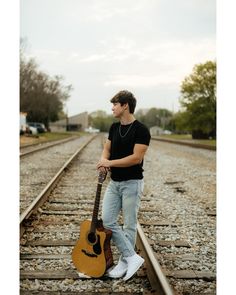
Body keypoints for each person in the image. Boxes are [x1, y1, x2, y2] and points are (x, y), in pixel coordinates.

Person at [96, 90, 151, 281]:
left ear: (125, 105)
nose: (112, 107)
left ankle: (124, 262)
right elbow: (107, 150)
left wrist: (109, 163)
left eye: (115, 104)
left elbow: (136, 158)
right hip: (114, 183)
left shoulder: (141, 130)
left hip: (132, 183)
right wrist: (103, 160)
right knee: (108, 220)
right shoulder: (113, 127)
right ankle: (131, 257)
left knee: (129, 224)